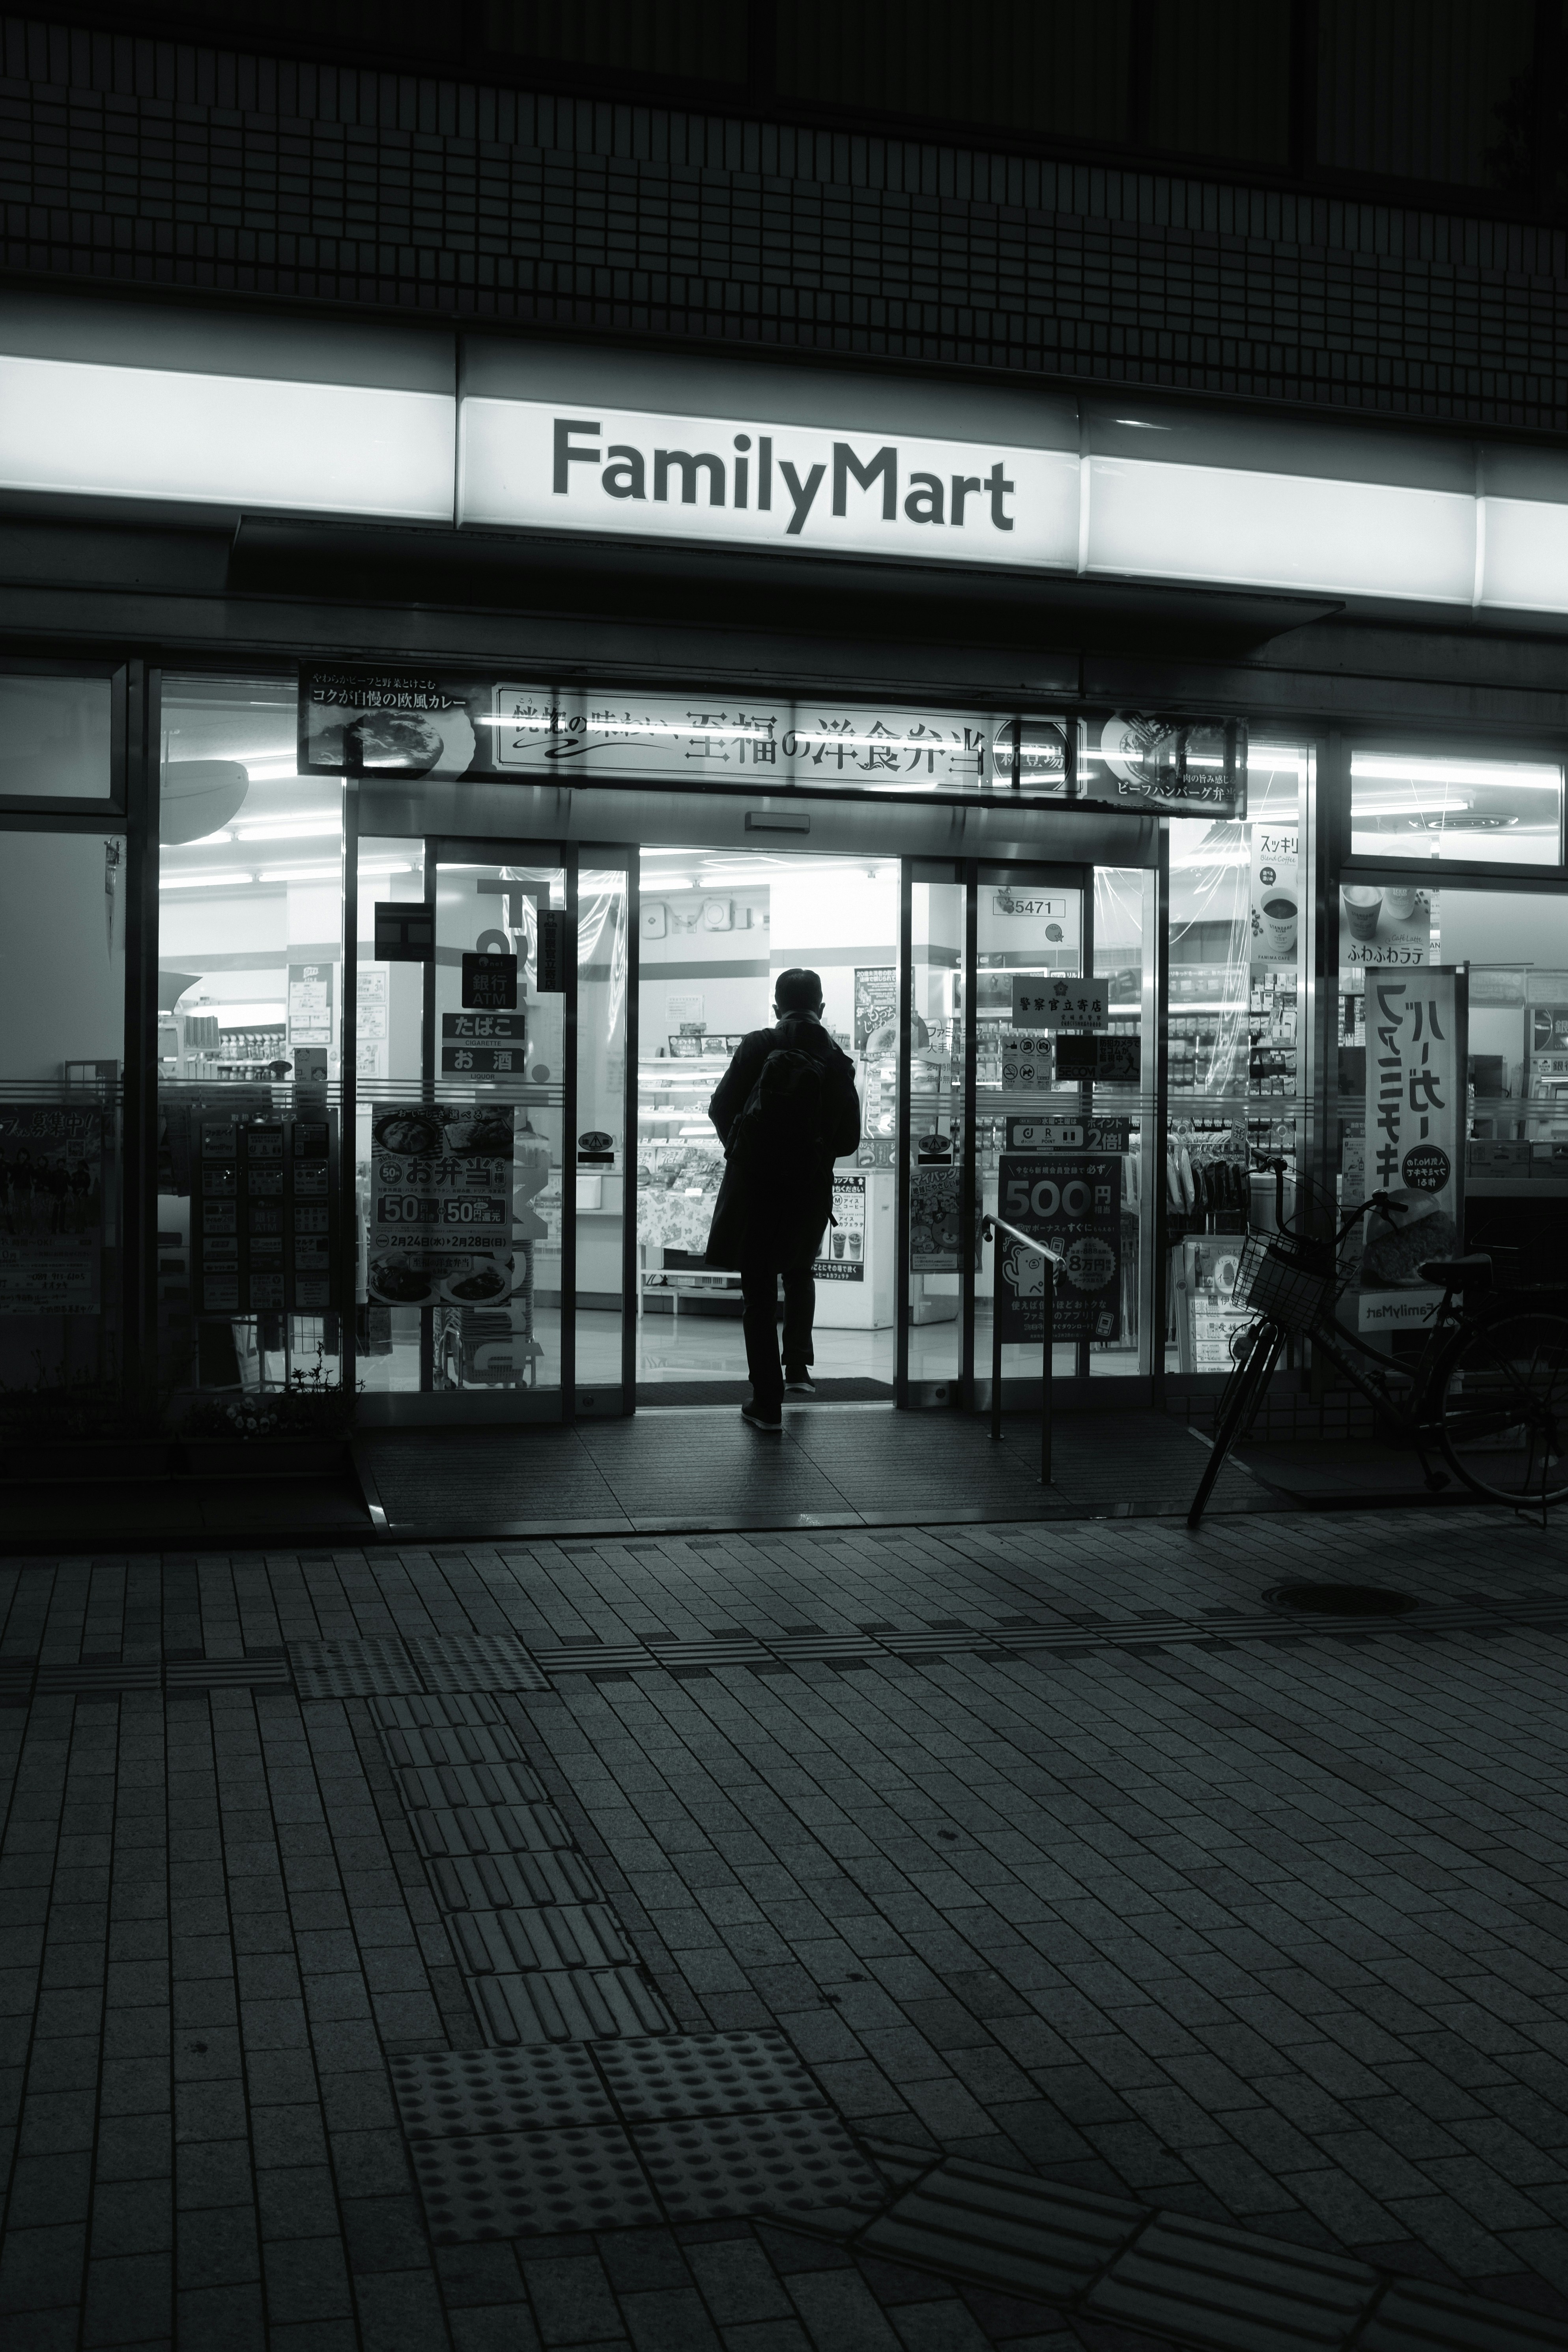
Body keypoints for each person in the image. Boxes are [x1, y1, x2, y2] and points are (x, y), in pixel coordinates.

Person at [705, 968, 861, 1431]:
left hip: (755, 1188)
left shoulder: (758, 1045)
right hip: (809, 1189)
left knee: (757, 1295)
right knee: (799, 1270)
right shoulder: (836, 1059)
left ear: (776, 1007)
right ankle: (798, 1369)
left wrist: (746, 1150)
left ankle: (766, 1403)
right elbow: (849, 1139)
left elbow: (719, 1106)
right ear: (822, 1008)